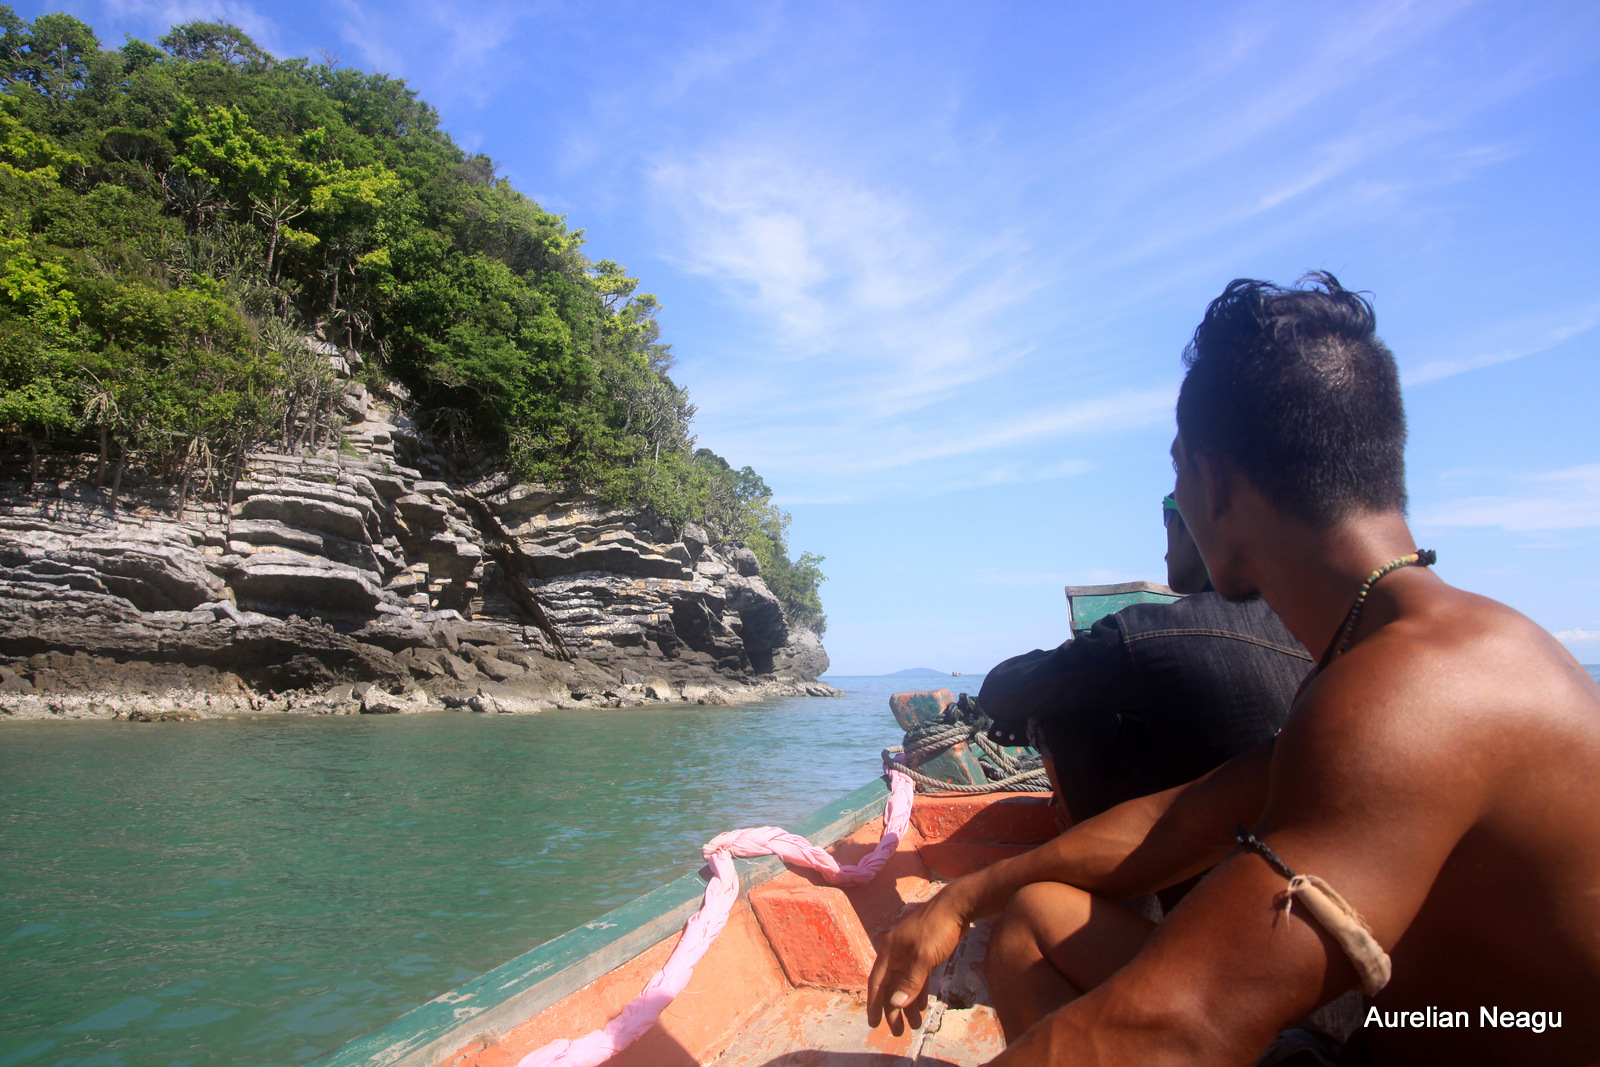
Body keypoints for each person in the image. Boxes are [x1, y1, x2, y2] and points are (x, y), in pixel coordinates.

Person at [867, 273, 1600, 1065]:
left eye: (1177, 470)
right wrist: (962, 897)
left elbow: (1176, 1030)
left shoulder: (1414, 695)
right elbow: (1177, 823)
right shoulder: (1424, 650)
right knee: (1036, 920)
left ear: (1214, 484)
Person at [981, 492, 1312, 832]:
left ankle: (1081, 834)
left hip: (1159, 853)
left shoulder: (1144, 634)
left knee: (1062, 701)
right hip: (1277, 839)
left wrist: (1081, 654)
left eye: (1167, 517)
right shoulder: (1314, 633)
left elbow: (999, 691)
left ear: (1195, 520)